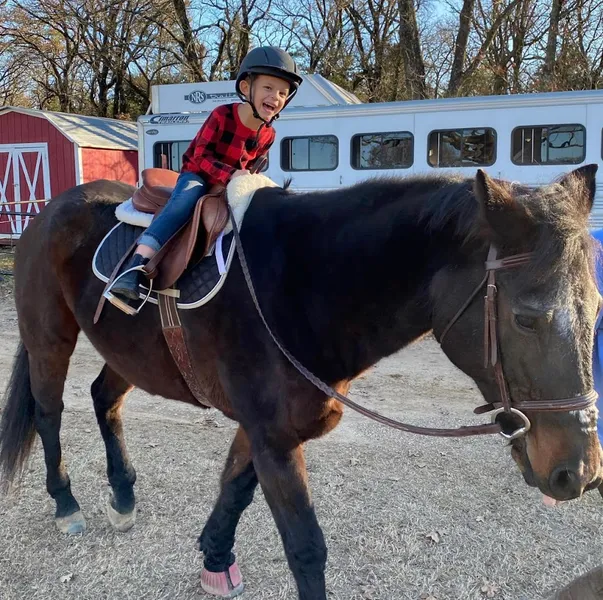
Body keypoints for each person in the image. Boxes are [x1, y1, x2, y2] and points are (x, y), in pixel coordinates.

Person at [109, 46, 303, 304]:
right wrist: (231, 173)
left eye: (282, 93)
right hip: (199, 174)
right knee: (182, 204)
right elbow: (200, 156)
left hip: (232, 183)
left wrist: (245, 180)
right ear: (246, 88)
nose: (275, 97)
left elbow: (252, 167)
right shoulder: (222, 115)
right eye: (268, 88)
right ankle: (135, 266)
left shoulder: (269, 134)